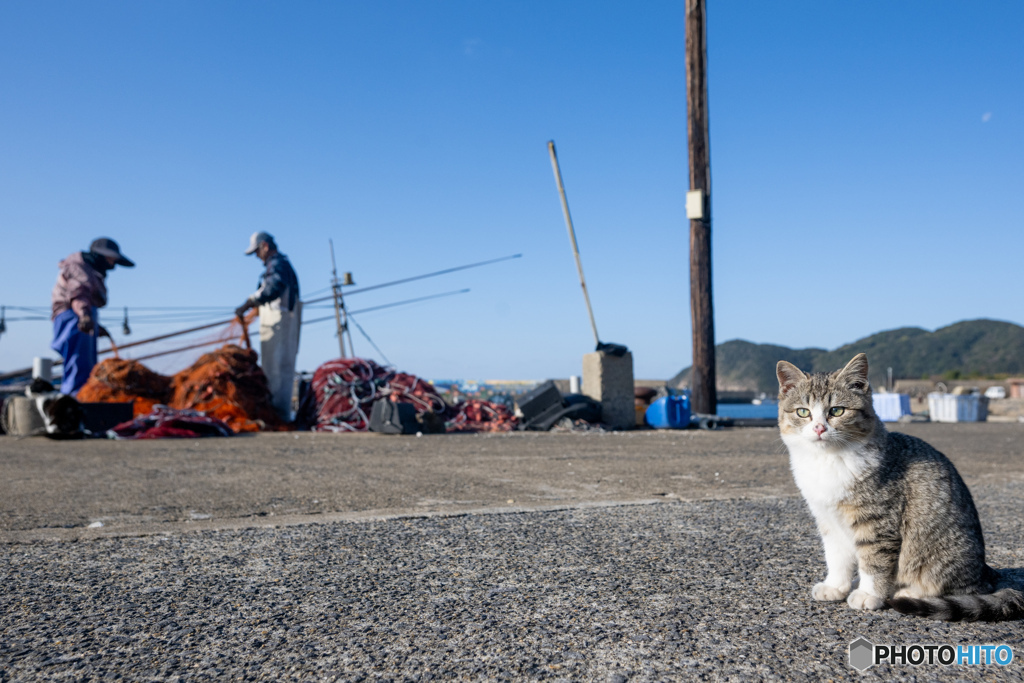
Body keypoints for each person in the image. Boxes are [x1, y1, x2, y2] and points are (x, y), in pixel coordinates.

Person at [51, 238, 135, 395]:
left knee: (87, 365)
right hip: (73, 317)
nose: (112, 264)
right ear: (100, 255)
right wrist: (85, 316)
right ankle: (76, 400)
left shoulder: (90, 270)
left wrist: (95, 325)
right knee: (78, 364)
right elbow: (79, 295)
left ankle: (83, 397)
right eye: (111, 259)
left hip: (81, 317)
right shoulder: (79, 268)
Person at [235, 231, 302, 420]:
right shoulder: (276, 265)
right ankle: (277, 413)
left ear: (265, 246)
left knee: (278, 369)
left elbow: (273, 287)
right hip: (277, 325)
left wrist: (249, 303)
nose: (257, 256)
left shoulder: (278, 264)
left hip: (281, 324)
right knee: (272, 369)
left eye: (257, 251)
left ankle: (279, 415)